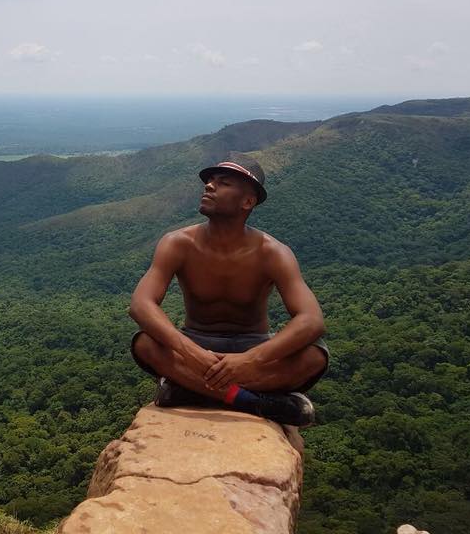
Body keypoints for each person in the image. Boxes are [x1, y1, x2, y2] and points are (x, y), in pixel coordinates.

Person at [128, 155, 328, 428]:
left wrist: (250, 360)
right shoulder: (178, 243)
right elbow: (141, 304)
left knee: (314, 356)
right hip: (197, 342)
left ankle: (191, 389)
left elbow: (312, 320)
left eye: (223, 183)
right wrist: (191, 352)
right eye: (210, 181)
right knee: (144, 343)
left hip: (253, 345)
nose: (209, 186)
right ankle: (255, 402)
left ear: (247, 202)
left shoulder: (272, 253)